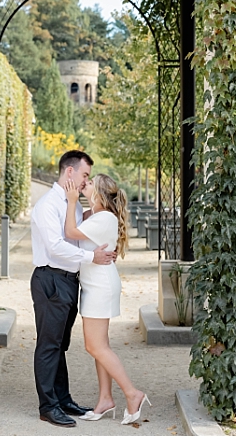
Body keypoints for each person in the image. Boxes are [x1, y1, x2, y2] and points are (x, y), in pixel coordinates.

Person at [30, 150, 115, 428]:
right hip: (51, 279)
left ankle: (63, 399)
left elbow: (79, 235)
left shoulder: (72, 203)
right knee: (48, 344)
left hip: (68, 281)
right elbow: (56, 246)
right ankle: (48, 406)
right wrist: (92, 257)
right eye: (85, 175)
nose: (85, 181)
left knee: (60, 345)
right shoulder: (47, 205)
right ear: (70, 172)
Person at [64, 173, 150, 425]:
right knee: (100, 346)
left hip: (99, 286)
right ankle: (105, 399)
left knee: (95, 346)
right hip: (96, 284)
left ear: (100, 194)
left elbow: (70, 231)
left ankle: (132, 394)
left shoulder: (103, 218)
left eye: (90, 183)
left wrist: (71, 201)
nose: (84, 184)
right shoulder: (97, 216)